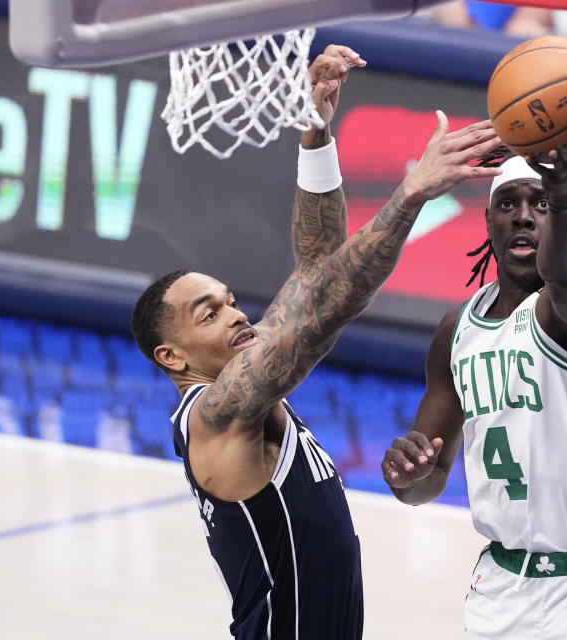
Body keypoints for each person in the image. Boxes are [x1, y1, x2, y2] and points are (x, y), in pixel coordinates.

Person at [130, 46, 502, 640]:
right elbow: (327, 309)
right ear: (171, 357)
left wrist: (316, 136)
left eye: (229, 299)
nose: (234, 314)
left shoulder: (241, 391)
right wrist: (410, 195)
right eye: (208, 314)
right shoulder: (218, 415)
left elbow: (315, 272)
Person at [381, 138, 567, 638]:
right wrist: (405, 475)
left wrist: (565, 196)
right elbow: (428, 480)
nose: (524, 216)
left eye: (540, 203)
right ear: (488, 222)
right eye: (509, 204)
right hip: (505, 592)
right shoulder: (456, 331)